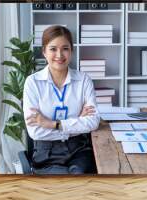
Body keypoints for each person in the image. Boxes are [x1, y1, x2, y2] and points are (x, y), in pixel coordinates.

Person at [23, 25, 100, 174]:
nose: (59, 55)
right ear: (44, 52)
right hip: (46, 153)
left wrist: (53, 124)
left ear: (71, 51)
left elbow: (93, 121)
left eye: (65, 48)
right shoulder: (33, 82)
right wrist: (76, 123)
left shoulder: (84, 80)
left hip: (79, 150)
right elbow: (35, 131)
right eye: (53, 49)